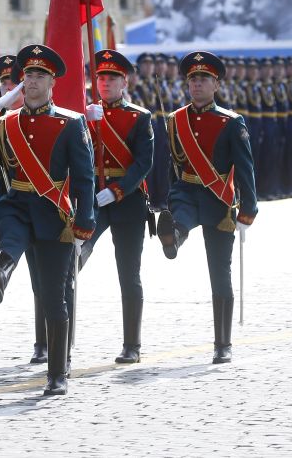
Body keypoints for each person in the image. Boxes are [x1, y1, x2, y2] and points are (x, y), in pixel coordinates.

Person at [0, 44, 95, 396]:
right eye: (27, 74)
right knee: (11, 241)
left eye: (39, 75)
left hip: (53, 212)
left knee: (53, 297)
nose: (31, 81)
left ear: (52, 82)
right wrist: (3, 99)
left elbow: (85, 177)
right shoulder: (4, 122)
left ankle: (57, 372)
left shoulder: (71, 123)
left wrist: (84, 222)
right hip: (15, 205)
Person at [156, 51, 258, 364]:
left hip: (219, 199)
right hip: (187, 190)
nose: (197, 84)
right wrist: (165, 198)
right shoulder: (175, 120)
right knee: (180, 218)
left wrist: (247, 211)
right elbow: (173, 166)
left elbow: (245, 169)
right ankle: (173, 236)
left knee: (220, 272)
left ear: (216, 84)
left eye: (204, 79)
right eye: (193, 79)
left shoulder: (231, 122)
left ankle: (222, 343)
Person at [81, 50, 154, 363]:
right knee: (72, 261)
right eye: (101, 77)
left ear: (125, 82)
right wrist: (87, 124)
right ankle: (58, 344)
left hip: (127, 201)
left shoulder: (140, 117)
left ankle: (132, 345)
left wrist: (119, 190)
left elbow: (143, 164)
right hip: (93, 199)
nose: (105, 82)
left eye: (112, 77)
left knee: (128, 273)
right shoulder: (83, 115)